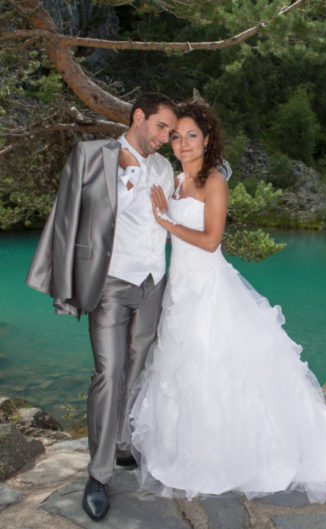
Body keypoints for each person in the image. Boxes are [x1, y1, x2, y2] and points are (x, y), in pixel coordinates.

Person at [128, 101, 326, 503]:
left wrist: (167, 223)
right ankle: (183, 448)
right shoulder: (175, 180)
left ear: (208, 138)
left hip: (209, 288)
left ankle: (232, 455)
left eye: (192, 135)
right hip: (179, 288)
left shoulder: (214, 181)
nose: (182, 144)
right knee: (181, 366)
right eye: (176, 136)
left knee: (217, 366)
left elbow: (212, 241)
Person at [26, 93, 178, 520]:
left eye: (170, 131)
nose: (165, 137)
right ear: (139, 117)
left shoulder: (164, 168)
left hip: (153, 283)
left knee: (137, 367)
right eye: (160, 127)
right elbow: (65, 218)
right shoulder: (93, 155)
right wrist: (62, 282)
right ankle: (99, 474)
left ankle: (124, 443)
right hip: (110, 283)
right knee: (107, 372)